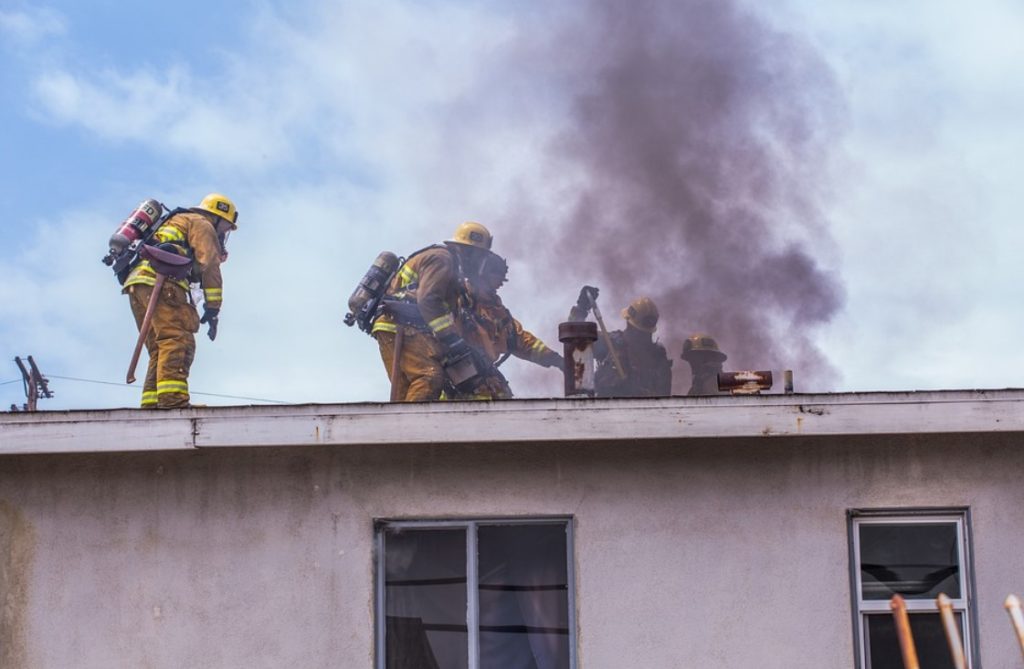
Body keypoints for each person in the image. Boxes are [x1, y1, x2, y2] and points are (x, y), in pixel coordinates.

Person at [123, 193, 238, 408]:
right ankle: (173, 401)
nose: (224, 233)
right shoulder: (202, 224)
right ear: (217, 217)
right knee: (177, 341)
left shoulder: (178, 219)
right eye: (226, 227)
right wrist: (213, 308)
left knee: (160, 347)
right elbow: (209, 265)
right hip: (162, 283)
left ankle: (152, 403)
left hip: (137, 284)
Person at [371, 222, 494, 402]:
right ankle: (413, 427)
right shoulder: (443, 259)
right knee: (429, 377)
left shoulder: (445, 262)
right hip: (402, 325)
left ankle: (398, 427)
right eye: (480, 256)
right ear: (469, 252)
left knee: (404, 391)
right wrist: (449, 337)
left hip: (392, 325)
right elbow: (429, 299)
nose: (479, 263)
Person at [455, 254, 563, 399]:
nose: (501, 283)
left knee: (502, 396)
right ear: (483, 274)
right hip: (459, 375)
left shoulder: (496, 309)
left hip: (484, 371)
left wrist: (554, 359)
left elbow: (519, 339)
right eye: (498, 277)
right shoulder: (459, 301)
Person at [593, 297, 672, 398]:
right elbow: (576, 338)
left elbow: (664, 401)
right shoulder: (610, 343)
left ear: (628, 321)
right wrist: (581, 308)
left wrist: (635, 393)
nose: (644, 337)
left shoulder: (658, 357)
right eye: (641, 333)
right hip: (607, 412)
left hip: (644, 412)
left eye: (645, 334)